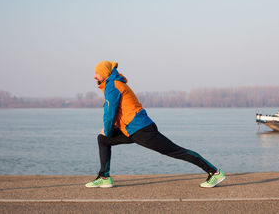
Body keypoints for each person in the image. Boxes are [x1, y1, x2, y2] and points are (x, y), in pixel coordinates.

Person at [85, 61, 225, 188]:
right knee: (103, 139)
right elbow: (119, 112)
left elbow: (110, 113)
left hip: (142, 130)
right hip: (130, 129)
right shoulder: (113, 85)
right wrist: (110, 131)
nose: (95, 76)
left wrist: (109, 130)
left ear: (104, 74)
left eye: (97, 73)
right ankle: (104, 177)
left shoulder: (113, 86)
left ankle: (214, 172)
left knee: (174, 151)